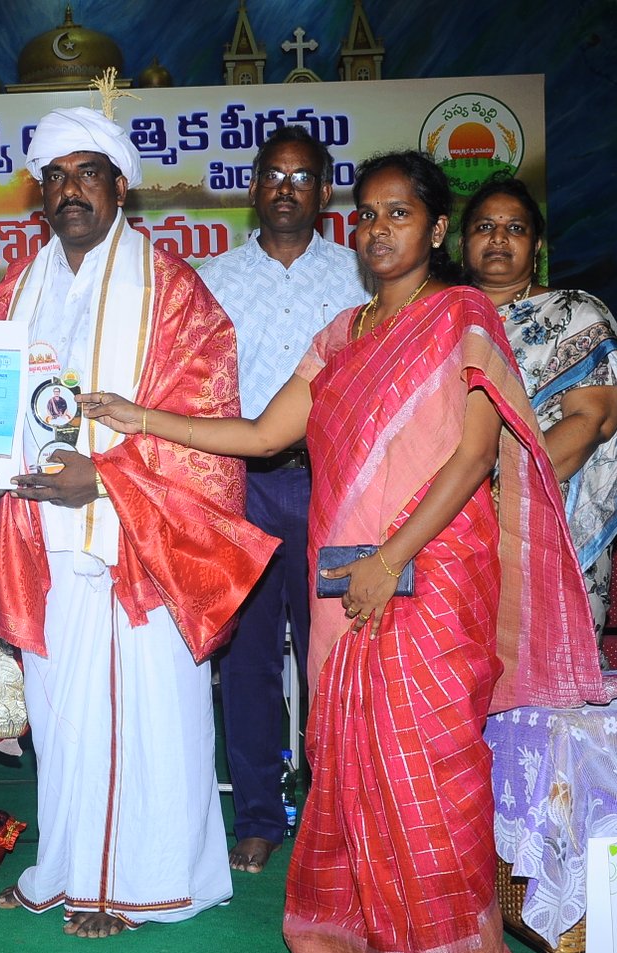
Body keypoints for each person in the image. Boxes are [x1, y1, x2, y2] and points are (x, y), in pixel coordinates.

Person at [82, 151, 617, 953]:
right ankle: (370, 949)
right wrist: (139, 416)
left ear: (436, 229)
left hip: (436, 574)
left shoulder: (463, 316)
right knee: (354, 761)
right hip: (349, 577)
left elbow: (473, 455)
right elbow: (264, 435)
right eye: (367, 215)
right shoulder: (341, 336)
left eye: (398, 214)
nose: (378, 229)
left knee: (433, 766)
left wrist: (392, 555)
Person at [0, 101, 276, 938]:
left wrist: (107, 480)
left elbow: (207, 421)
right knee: (63, 715)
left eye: (88, 175)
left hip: (137, 536)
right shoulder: (19, 285)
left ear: (121, 187)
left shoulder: (173, 290)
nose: (70, 191)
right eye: (55, 178)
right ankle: (66, 867)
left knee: (143, 714)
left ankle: (137, 882)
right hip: (42, 531)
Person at [198, 125, 367, 874]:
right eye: (273, 175)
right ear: (254, 187)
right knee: (249, 659)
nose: (286, 188)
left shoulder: (362, 276)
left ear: (324, 191)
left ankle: (337, 816)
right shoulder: (213, 280)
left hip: (337, 485)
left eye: (302, 177)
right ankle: (260, 818)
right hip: (245, 486)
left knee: (337, 656)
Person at [459, 175, 617, 635]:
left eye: (515, 228)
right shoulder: (441, 319)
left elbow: (594, 419)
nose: (499, 238)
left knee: (555, 669)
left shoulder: (574, 314)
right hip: (453, 525)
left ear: (537, 247)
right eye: (485, 227)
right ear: (462, 244)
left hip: (549, 516)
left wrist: (501, 493)